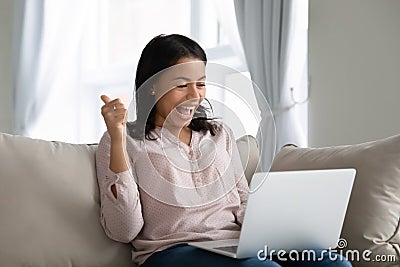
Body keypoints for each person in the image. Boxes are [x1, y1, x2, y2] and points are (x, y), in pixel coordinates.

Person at [96, 34, 352, 267]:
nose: (194, 96)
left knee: (332, 263)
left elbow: (242, 201)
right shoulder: (122, 140)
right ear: (152, 85)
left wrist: (278, 228)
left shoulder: (219, 135)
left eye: (201, 84)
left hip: (233, 245)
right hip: (169, 252)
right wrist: (118, 139)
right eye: (181, 85)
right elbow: (124, 230)